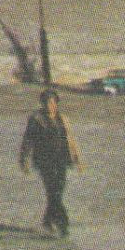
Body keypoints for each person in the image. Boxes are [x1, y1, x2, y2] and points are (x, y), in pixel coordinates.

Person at [18, 88, 82, 237]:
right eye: (47, 102)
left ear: (56, 103)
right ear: (42, 104)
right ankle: (63, 224)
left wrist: (77, 159)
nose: (50, 105)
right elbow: (28, 140)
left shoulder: (63, 119)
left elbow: (70, 139)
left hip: (61, 160)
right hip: (44, 161)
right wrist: (24, 159)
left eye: (52, 102)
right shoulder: (36, 119)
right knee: (53, 192)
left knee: (57, 191)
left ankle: (47, 221)